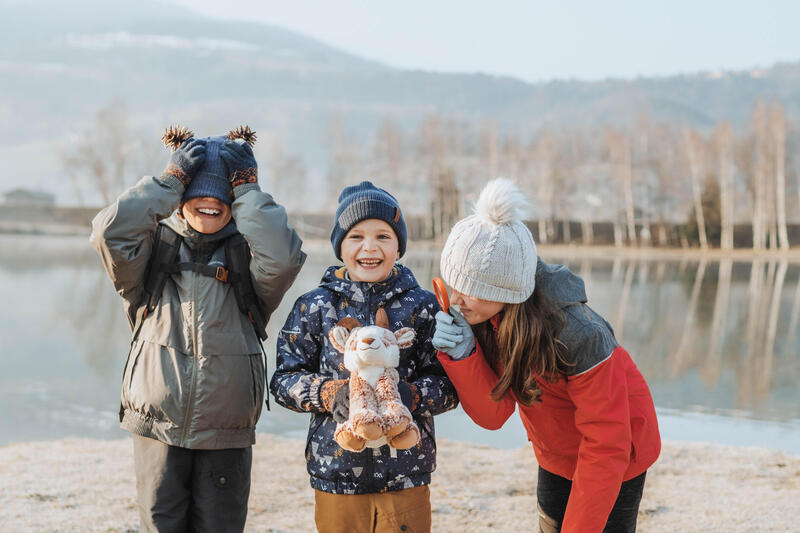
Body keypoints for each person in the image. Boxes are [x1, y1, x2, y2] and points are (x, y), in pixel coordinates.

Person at [90, 125, 306, 532]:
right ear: (180, 198)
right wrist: (168, 182)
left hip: (226, 431)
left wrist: (247, 190)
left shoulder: (250, 258)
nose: (210, 200)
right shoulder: (150, 251)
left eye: (221, 194)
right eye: (197, 192)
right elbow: (108, 233)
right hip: (157, 424)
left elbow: (284, 258)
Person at [432, 179, 660, 533]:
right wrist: (463, 356)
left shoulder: (579, 333)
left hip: (619, 449)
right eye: (453, 283)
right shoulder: (484, 314)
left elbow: (606, 445)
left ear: (506, 290)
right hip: (556, 450)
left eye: (472, 290)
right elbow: (494, 414)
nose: (457, 299)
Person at [270, 181, 458, 533]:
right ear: (340, 246)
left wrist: (412, 396)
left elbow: (450, 384)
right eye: (356, 236)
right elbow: (283, 381)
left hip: (407, 473)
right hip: (336, 472)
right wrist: (329, 394)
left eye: (383, 237)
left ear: (398, 246)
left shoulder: (424, 307)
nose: (369, 248)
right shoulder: (314, 306)